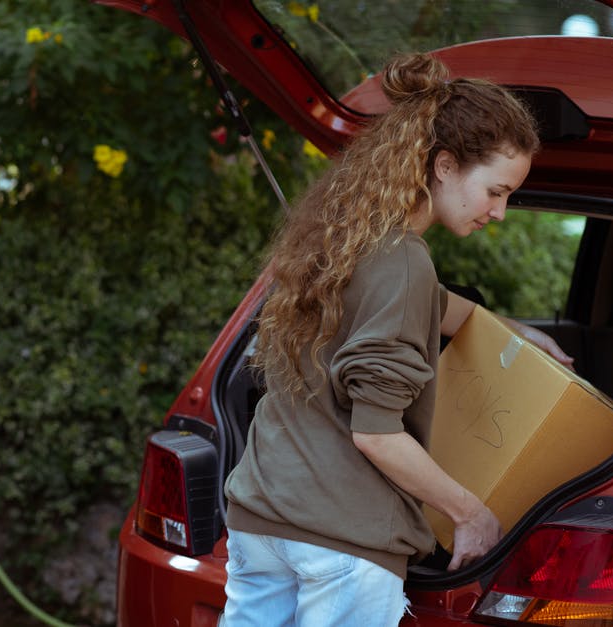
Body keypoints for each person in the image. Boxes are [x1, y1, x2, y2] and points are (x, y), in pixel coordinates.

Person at [219, 52, 574, 627]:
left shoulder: (345, 238)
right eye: (496, 191)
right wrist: (470, 512)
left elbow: (432, 305)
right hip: (341, 543)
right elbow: (377, 435)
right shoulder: (404, 263)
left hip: (262, 521)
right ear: (445, 165)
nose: (501, 212)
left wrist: (518, 332)